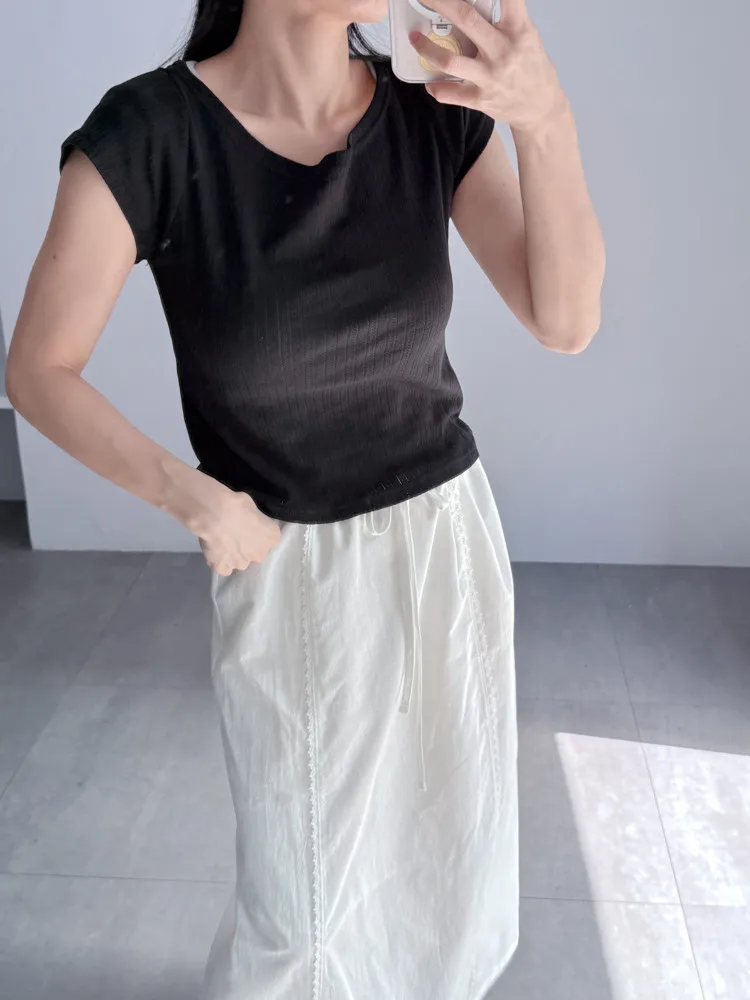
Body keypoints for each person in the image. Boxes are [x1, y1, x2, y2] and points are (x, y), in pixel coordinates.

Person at [6, 0, 604, 996]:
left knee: (450, 881)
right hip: (289, 574)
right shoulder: (151, 134)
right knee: (303, 919)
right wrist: (197, 499)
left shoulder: (429, 115)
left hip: (443, 543)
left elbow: (566, 320)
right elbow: (38, 370)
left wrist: (548, 122)